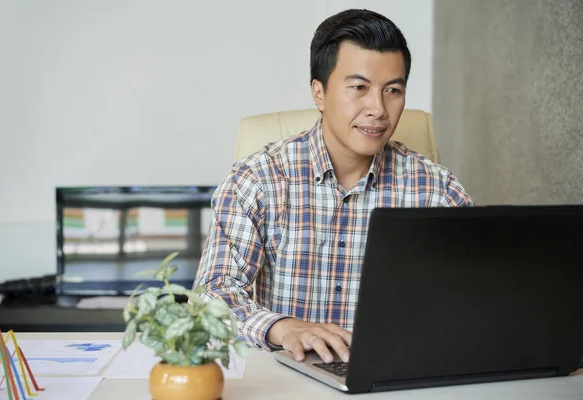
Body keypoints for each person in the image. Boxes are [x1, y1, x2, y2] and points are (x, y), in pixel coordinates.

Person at [193, 8, 473, 365]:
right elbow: (211, 297)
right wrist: (282, 327)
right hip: (286, 377)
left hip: (395, 377)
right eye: (359, 88)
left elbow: (477, 297)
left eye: (393, 90)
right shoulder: (257, 180)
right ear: (319, 93)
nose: (378, 109)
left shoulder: (436, 190)